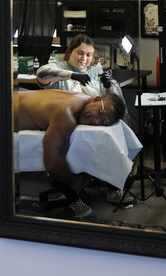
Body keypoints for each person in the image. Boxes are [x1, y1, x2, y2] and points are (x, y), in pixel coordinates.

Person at [13, 84, 126, 218]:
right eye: (100, 113)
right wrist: (74, 182)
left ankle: (109, 189)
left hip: (16, 97)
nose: (96, 121)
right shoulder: (66, 115)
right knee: (62, 155)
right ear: (96, 99)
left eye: (104, 121)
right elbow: (52, 164)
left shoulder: (82, 99)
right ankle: (77, 201)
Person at [35, 34, 108, 98]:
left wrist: (109, 87)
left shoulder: (97, 72)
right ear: (70, 52)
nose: (84, 58)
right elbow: (40, 74)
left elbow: (111, 102)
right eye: (80, 53)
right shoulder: (59, 67)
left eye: (88, 55)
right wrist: (72, 75)